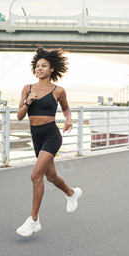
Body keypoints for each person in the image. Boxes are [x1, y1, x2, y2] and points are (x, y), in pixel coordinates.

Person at [15, 46, 82, 237]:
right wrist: (28, 101)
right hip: (36, 136)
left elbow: (66, 109)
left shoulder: (58, 90)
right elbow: (20, 116)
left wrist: (68, 119)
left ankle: (33, 220)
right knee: (51, 177)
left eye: (44, 66)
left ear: (52, 69)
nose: (39, 68)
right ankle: (71, 193)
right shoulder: (27, 89)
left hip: (52, 135)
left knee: (36, 176)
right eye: (37, 66)